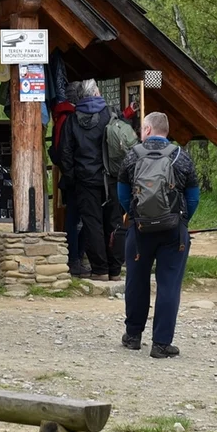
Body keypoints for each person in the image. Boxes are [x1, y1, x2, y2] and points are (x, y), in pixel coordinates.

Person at [117, 112, 200, 359]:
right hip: (173, 231)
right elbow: (193, 198)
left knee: (136, 280)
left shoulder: (132, 155)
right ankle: (161, 344)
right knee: (169, 285)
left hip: (140, 230)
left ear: (148, 130)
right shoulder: (181, 157)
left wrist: (134, 215)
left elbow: (122, 193)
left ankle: (133, 336)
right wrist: (181, 221)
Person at [59, 79, 122, 281]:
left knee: (92, 224)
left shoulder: (71, 120)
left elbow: (65, 154)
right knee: (113, 223)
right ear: (97, 93)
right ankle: (115, 269)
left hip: (85, 182)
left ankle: (100, 270)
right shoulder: (111, 114)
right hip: (111, 179)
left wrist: (72, 179)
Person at [50, 81, 86, 277]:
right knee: (76, 219)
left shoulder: (60, 117)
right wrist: (72, 175)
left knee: (73, 218)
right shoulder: (70, 119)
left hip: (68, 175)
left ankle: (75, 257)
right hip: (74, 177)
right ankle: (74, 258)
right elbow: (64, 151)